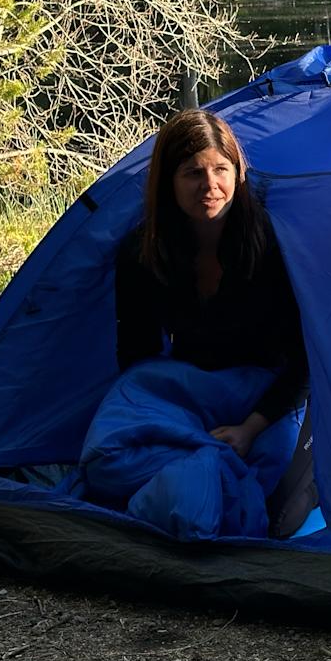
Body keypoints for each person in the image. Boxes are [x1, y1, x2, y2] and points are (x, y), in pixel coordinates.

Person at [114, 108, 309, 452]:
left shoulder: (270, 247)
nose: (210, 185)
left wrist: (250, 428)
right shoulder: (144, 254)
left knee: (273, 462)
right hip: (189, 395)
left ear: (237, 174)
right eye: (193, 173)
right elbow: (137, 361)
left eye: (221, 169)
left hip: (268, 403)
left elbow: (302, 362)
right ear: (168, 182)